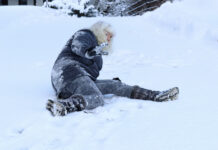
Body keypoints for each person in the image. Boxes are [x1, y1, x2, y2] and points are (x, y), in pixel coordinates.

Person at [46, 21, 179, 116]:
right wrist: (89, 52)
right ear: (99, 31)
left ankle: (157, 95)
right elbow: (78, 46)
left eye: (111, 36)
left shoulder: (98, 57)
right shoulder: (86, 34)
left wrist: (94, 54)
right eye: (107, 34)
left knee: (116, 84)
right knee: (96, 98)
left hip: (75, 80)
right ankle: (64, 106)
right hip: (67, 72)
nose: (109, 38)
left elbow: (91, 78)